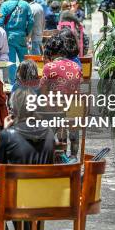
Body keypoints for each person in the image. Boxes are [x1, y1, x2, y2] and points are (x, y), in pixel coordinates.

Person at [0, 87, 55, 230]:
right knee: (20, 208)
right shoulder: (49, 133)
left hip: (17, 195)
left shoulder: (8, 135)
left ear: (15, 109)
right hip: (43, 197)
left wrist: (5, 131)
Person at [40, 33, 83, 161]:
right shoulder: (76, 66)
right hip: (74, 109)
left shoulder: (49, 67)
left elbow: (43, 92)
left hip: (55, 109)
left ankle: (57, 153)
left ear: (50, 53)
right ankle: (74, 155)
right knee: (73, 125)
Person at [0, 0, 34, 83]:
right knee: (25, 60)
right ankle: (26, 80)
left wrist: (2, 35)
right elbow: (31, 21)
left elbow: (0, 22)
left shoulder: (5, 5)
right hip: (22, 36)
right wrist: (26, 32)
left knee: (11, 62)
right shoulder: (25, 5)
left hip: (9, 36)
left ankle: (13, 83)